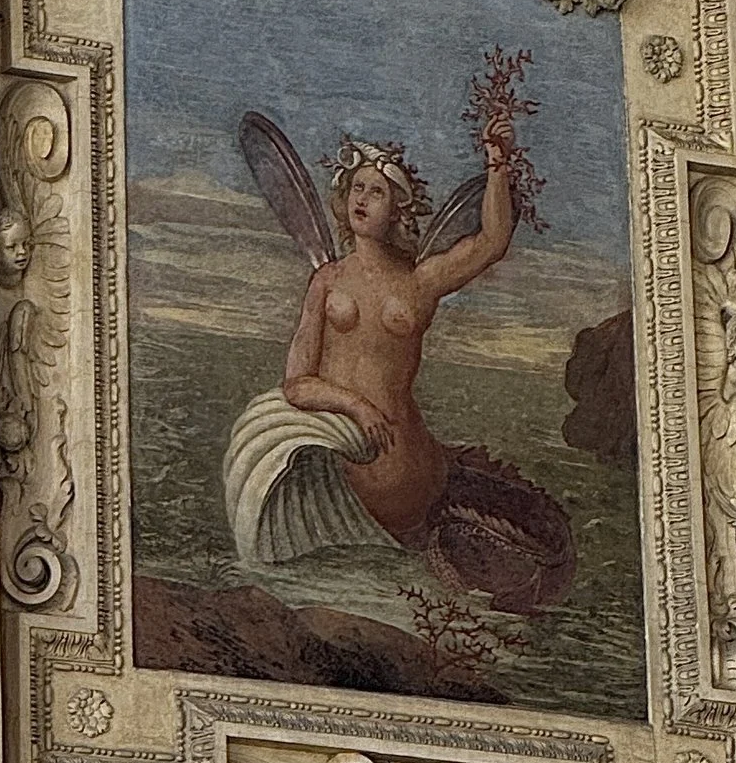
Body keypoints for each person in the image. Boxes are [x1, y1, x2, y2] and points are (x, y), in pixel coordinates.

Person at [226, 115, 577, 614]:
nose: (363, 199)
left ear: (398, 209)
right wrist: (356, 407)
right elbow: (297, 384)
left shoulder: (420, 281)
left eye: (377, 192)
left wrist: (497, 162)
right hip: (342, 475)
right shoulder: (326, 281)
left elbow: (492, 242)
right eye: (357, 188)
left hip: (412, 474)